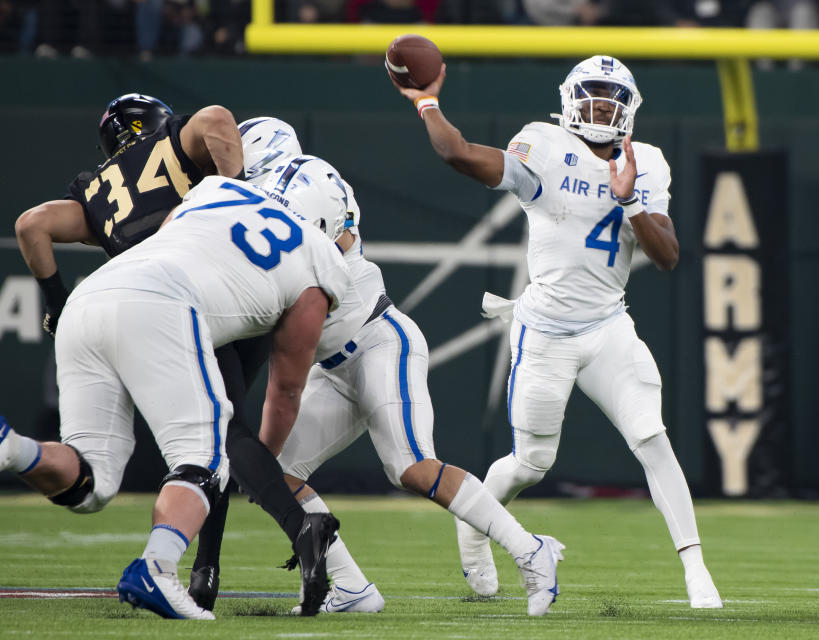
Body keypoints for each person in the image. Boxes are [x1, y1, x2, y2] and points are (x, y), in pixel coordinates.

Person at [188, 117, 565, 617]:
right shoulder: (298, 191)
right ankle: (352, 589)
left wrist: (259, 459)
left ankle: (530, 550)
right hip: (331, 365)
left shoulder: (302, 192)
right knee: (278, 474)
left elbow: (285, 381)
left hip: (379, 341)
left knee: (410, 466)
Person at [390, 55, 722, 608]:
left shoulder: (649, 163)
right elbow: (459, 153)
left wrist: (631, 200)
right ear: (569, 100)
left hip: (608, 327)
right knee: (531, 463)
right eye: (590, 95)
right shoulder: (542, 145)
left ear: (630, 109)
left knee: (652, 439)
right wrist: (427, 102)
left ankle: (696, 570)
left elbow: (667, 255)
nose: (599, 107)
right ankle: (474, 525)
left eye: (611, 97)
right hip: (544, 331)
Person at [14, 94, 335, 616]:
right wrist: (233, 188)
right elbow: (214, 119)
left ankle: (210, 568)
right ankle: (257, 546)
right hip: (199, 293)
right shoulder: (182, 153)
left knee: (172, 452)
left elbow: (32, 224)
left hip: (137, 297)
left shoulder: (99, 190)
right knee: (217, 441)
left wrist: (55, 300)